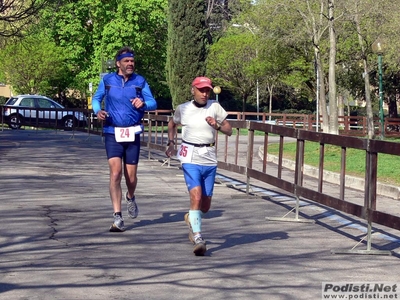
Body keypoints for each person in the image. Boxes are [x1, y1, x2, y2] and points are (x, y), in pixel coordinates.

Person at [92, 46, 157, 232]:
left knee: (131, 177)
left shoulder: (140, 81)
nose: (130, 64)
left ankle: (130, 196)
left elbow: (153, 102)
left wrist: (143, 103)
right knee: (115, 173)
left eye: (132, 61)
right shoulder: (107, 80)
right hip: (113, 132)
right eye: (127, 61)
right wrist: (98, 111)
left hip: (132, 133)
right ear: (118, 63)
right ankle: (117, 216)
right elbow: (96, 99)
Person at [165, 76, 232, 256]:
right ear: (192, 90)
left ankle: (191, 218)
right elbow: (172, 124)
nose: (204, 93)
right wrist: (171, 143)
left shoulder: (215, 107)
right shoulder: (183, 109)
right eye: (201, 90)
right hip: (190, 157)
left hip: (209, 158)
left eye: (207, 90)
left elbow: (229, 130)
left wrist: (216, 125)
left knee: (206, 205)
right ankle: (198, 237)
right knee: (196, 196)